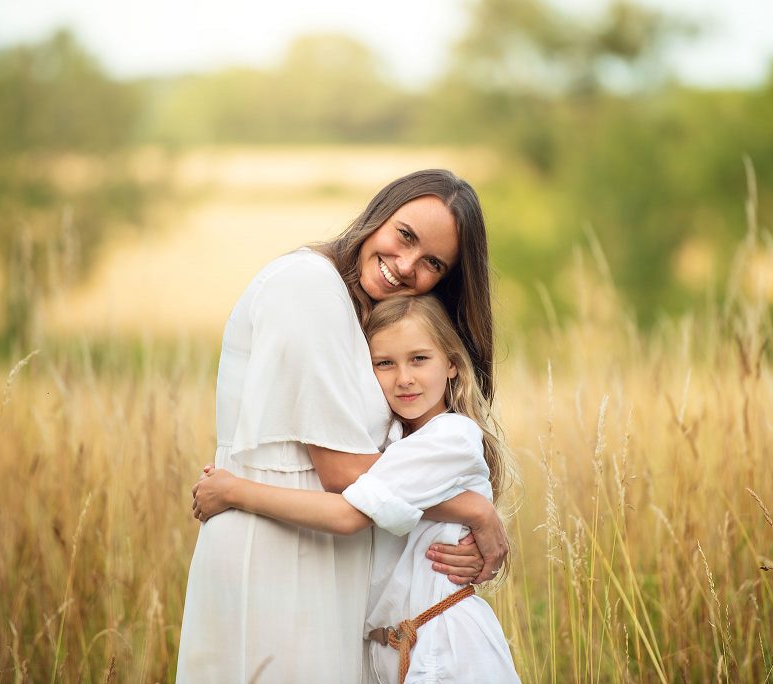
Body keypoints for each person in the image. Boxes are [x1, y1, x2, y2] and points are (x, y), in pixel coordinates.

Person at [176, 170, 508, 683]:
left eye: (432, 264)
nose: (405, 265)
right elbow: (343, 471)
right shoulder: (311, 286)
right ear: (379, 214)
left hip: (315, 558)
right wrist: (474, 509)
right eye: (405, 236)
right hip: (278, 555)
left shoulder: (360, 313)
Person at [193, 296, 520, 684]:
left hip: (445, 646)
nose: (404, 378)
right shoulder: (393, 442)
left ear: (451, 363)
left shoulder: (450, 438)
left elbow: (348, 516)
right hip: (396, 647)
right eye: (385, 363)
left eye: (419, 359)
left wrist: (236, 492)